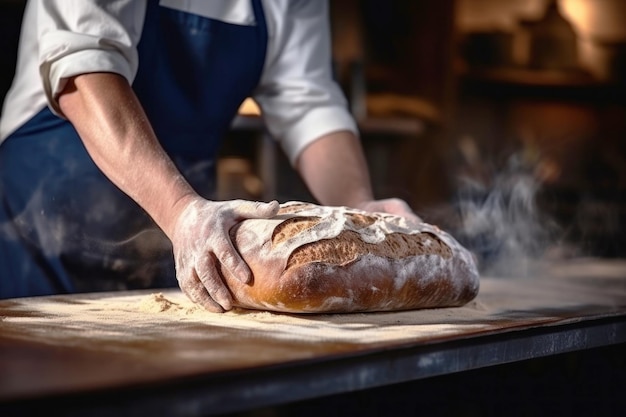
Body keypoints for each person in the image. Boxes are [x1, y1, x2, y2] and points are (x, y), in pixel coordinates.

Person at [0, 0, 419, 312]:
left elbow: (308, 102)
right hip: (43, 237)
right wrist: (180, 211)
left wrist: (359, 204)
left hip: (180, 243)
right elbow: (83, 66)